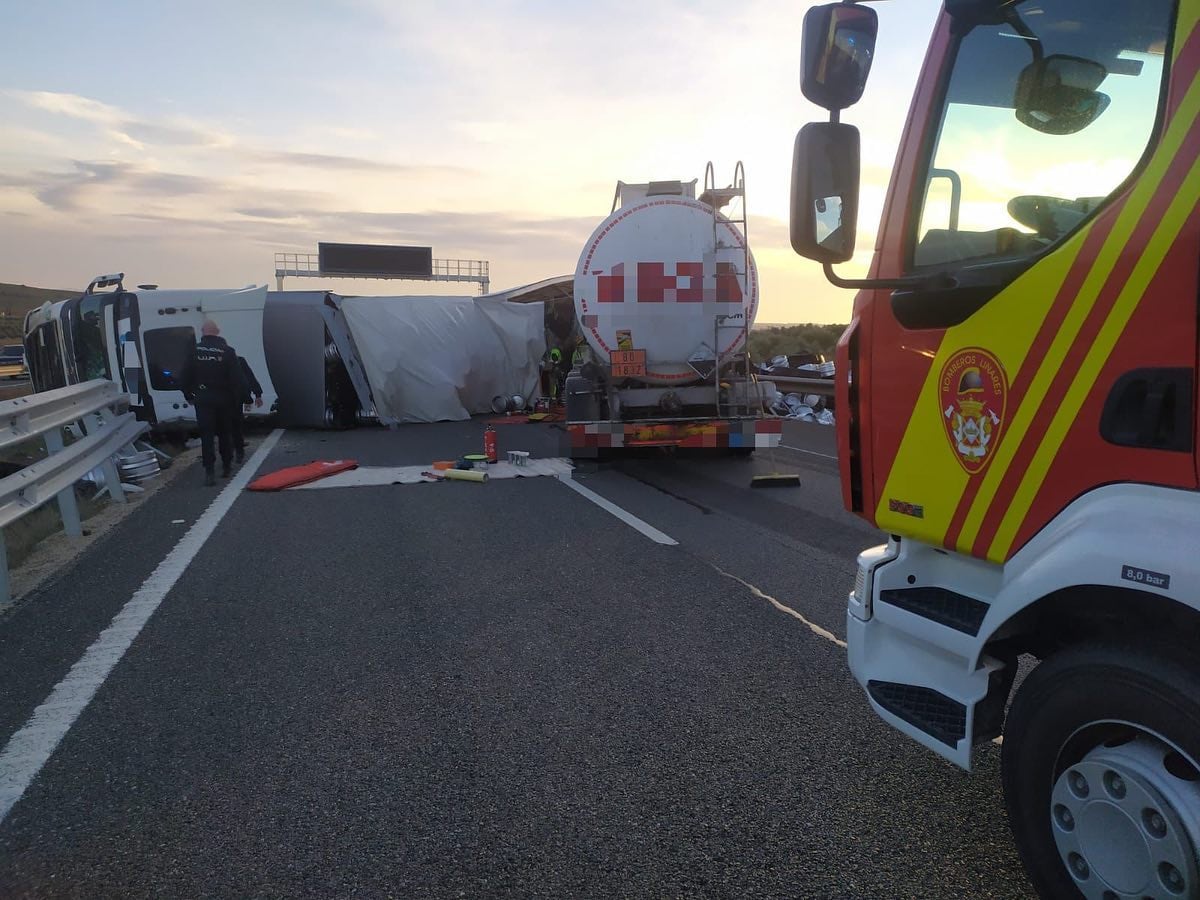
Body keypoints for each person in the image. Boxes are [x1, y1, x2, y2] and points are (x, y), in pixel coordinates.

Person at [180, 321, 244, 486]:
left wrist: (189, 395)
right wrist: (236, 399)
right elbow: (236, 378)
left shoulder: (194, 351)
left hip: (203, 398)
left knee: (207, 435)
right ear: (218, 331)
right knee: (224, 433)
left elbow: (184, 375)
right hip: (224, 398)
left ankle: (209, 471)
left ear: (202, 332)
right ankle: (227, 465)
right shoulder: (228, 351)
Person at [232, 356, 263, 464]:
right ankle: (239, 449)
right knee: (236, 423)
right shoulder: (238, 360)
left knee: (226, 424)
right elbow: (249, 377)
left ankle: (232, 448)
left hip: (222, 398)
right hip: (237, 397)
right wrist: (256, 394)